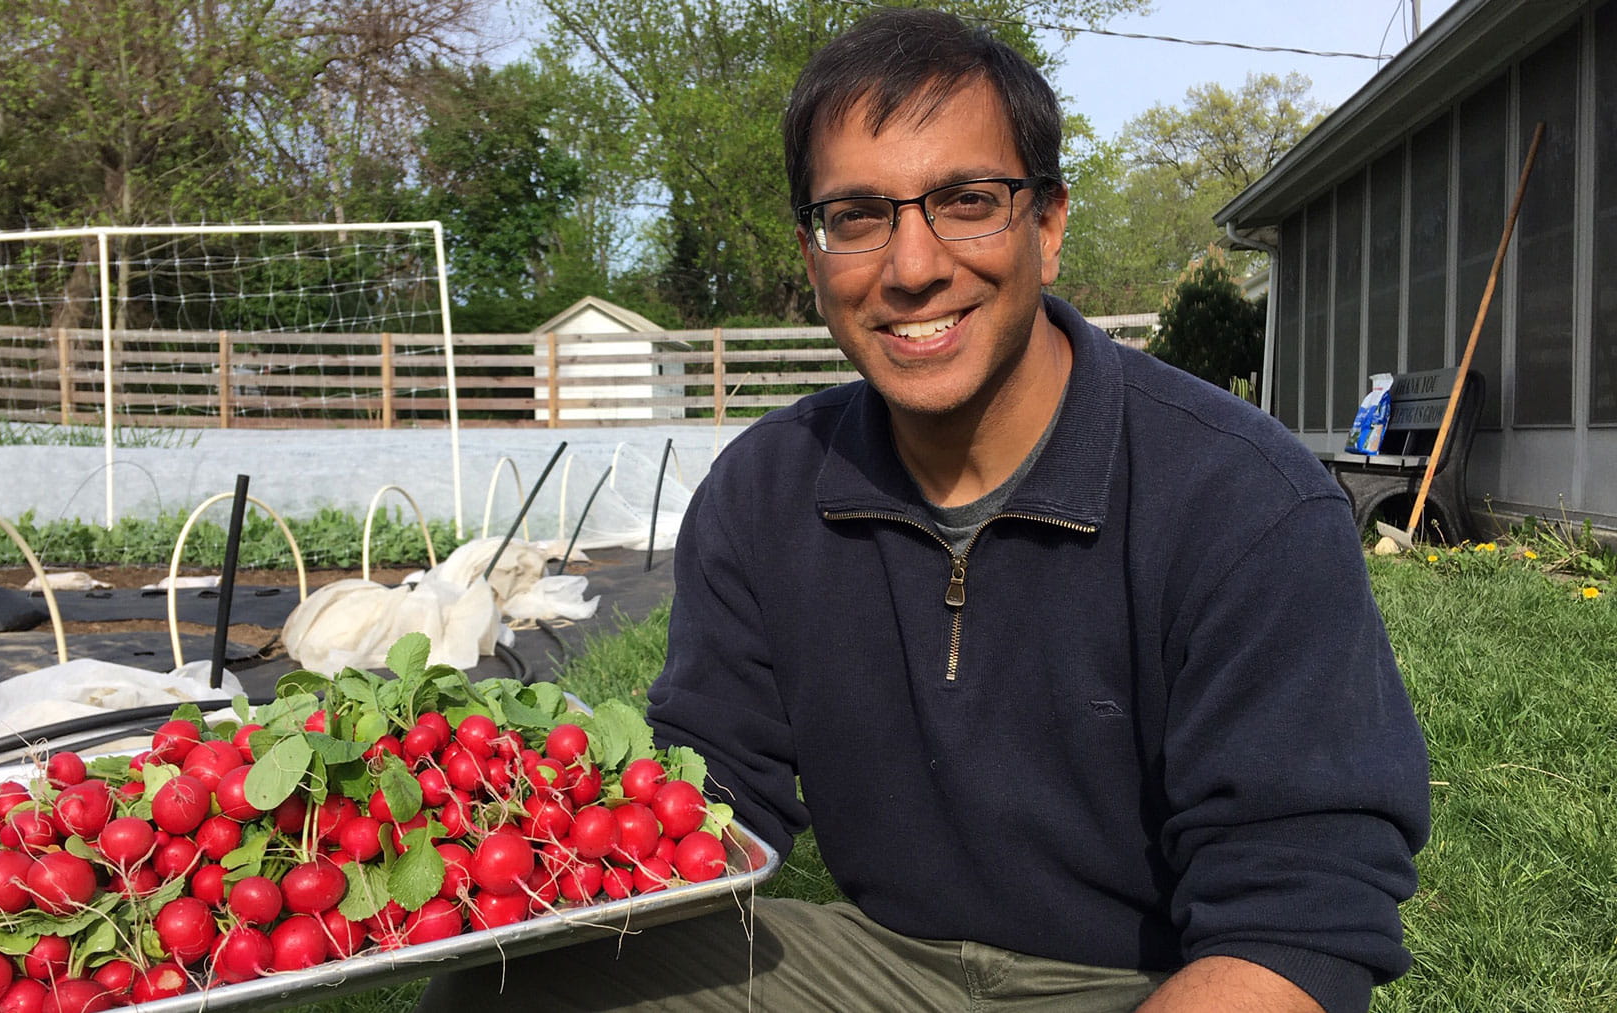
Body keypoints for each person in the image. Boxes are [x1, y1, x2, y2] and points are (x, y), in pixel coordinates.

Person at [419, 9, 1429, 1012]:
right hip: (881, 964)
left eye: (969, 199)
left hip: (1152, 979)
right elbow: (713, 796)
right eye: (858, 215)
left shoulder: (1237, 496)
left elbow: (1298, 916)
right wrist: (479, 820)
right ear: (814, 254)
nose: (913, 267)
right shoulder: (766, 492)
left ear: (1048, 224)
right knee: (507, 984)